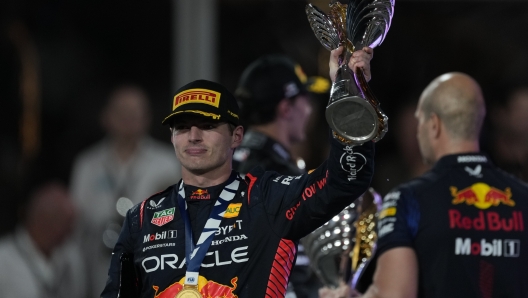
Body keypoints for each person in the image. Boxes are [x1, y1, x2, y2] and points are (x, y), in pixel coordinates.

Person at [101, 46, 375, 298]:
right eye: (182, 127)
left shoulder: (268, 199)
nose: (193, 136)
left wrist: (347, 90)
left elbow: (345, 179)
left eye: (207, 126)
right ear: (172, 137)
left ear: (236, 136)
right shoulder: (141, 218)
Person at [323, 72, 528, 298]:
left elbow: (396, 294)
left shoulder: (407, 201)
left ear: (434, 125)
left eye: (419, 120)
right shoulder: (523, 197)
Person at [70, 85, 181, 296]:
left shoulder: (167, 163)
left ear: (147, 118)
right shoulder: (87, 165)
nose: (129, 118)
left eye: (135, 112)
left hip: (152, 271)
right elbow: (76, 225)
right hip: (99, 271)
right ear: (105, 117)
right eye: (122, 112)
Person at [233, 54, 328, 298]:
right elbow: (296, 271)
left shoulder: (225, 163)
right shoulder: (281, 176)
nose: (309, 109)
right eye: (304, 99)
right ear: (286, 108)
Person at [0, 181, 86, 298]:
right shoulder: (3, 259)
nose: (70, 232)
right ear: (43, 221)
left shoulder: (72, 256)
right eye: (66, 224)